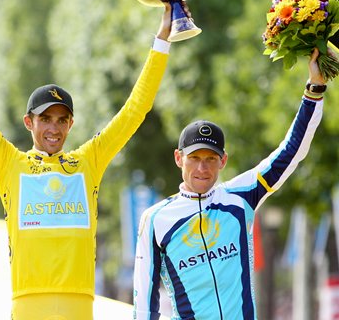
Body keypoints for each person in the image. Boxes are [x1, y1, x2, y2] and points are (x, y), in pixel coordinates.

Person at [0, 0, 181, 319]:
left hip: (79, 304)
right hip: (27, 303)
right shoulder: (9, 162)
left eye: (62, 120)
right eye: (45, 119)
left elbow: (136, 109)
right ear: (29, 122)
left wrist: (161, 40)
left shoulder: (88, 161)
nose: (53, 128)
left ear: (71, 124)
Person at [132, 48, 327, 319]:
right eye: (194, 158)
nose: (202, 168)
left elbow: (291, 151)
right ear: (179, 158)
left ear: (223, 161)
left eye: (211, 159)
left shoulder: (240, 197)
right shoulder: (155, 219)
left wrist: (314, 89)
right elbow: (144, 298)